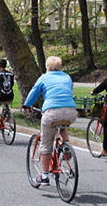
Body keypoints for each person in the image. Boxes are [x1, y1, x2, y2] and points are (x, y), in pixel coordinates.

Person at [22, 56, 77, 186]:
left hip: (52, 112)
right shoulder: (67, 77)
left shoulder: (44, 77)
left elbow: (34, 92)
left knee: (46, 144)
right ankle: (66, 145)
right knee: (62, 126)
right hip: (70, 111)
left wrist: (27, 104)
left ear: (47, 66)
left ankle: (44, 175)